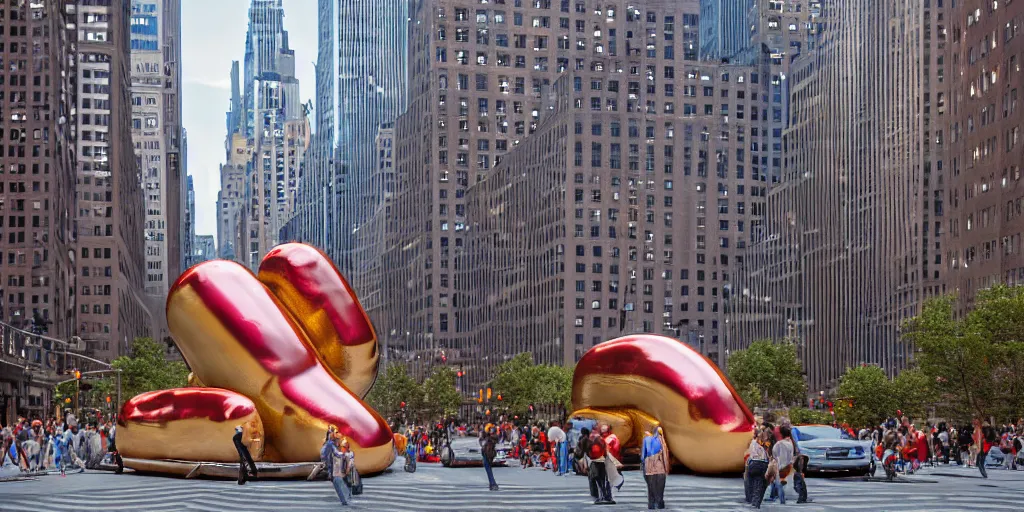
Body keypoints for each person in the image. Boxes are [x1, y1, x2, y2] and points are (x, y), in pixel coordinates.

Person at [641, 428, 670, 510]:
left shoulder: (647, 439)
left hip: (649, 465)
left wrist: (644, 463)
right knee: (660, 487)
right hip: (660, 466)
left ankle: (652, 504)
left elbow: (643, 455)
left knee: (651, 486)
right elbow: (665, 457)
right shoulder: (662, 441)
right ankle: (659, 503)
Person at [587, 428, 614, 505]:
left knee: (597, 481)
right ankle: (604, 496)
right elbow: (605, 453)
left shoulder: (594, 444)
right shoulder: (602, 442)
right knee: (601, 481)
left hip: (596, 464)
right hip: (602, 463)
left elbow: (591, 455)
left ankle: (600, 497)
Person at [746, 428, 772, 509]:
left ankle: (754, 502)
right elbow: (765, 456)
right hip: (760, 463)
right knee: (759, 484)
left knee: (755, 484)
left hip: (754, 463)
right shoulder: (758, 443)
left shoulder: (757, 443)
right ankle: (756, 503)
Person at [330, 433, 353, 506]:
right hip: (340, 474)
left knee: (343, 487)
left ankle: (345, 500)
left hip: (341, 475)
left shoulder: (347, 454)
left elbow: (349, 464)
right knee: (343, 487)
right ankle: (345, 500)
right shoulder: (341, 453)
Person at [480, 426, 499, 491]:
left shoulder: (490, 438)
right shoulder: (491, 438)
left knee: (488, 470)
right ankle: (492, 483)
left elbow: (482, 443)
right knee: (489, 470)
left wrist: (485, 436)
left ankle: (493, 484)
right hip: (488, 454)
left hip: (487, 454)